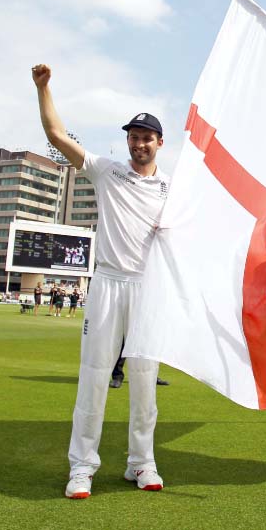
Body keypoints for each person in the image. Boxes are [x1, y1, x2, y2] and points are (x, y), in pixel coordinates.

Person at [32, 63, 169, 499]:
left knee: (145, 383)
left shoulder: (174, 187)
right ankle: (82, 466)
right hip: (108, 285)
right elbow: (57, 137)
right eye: (133, 135)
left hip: (148, 290)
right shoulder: (107, 171)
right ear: (127, 140)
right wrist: (44, 87)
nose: (139, 142)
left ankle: (141, 464)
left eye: (146, 136)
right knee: (93, 377)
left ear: (159, 143)